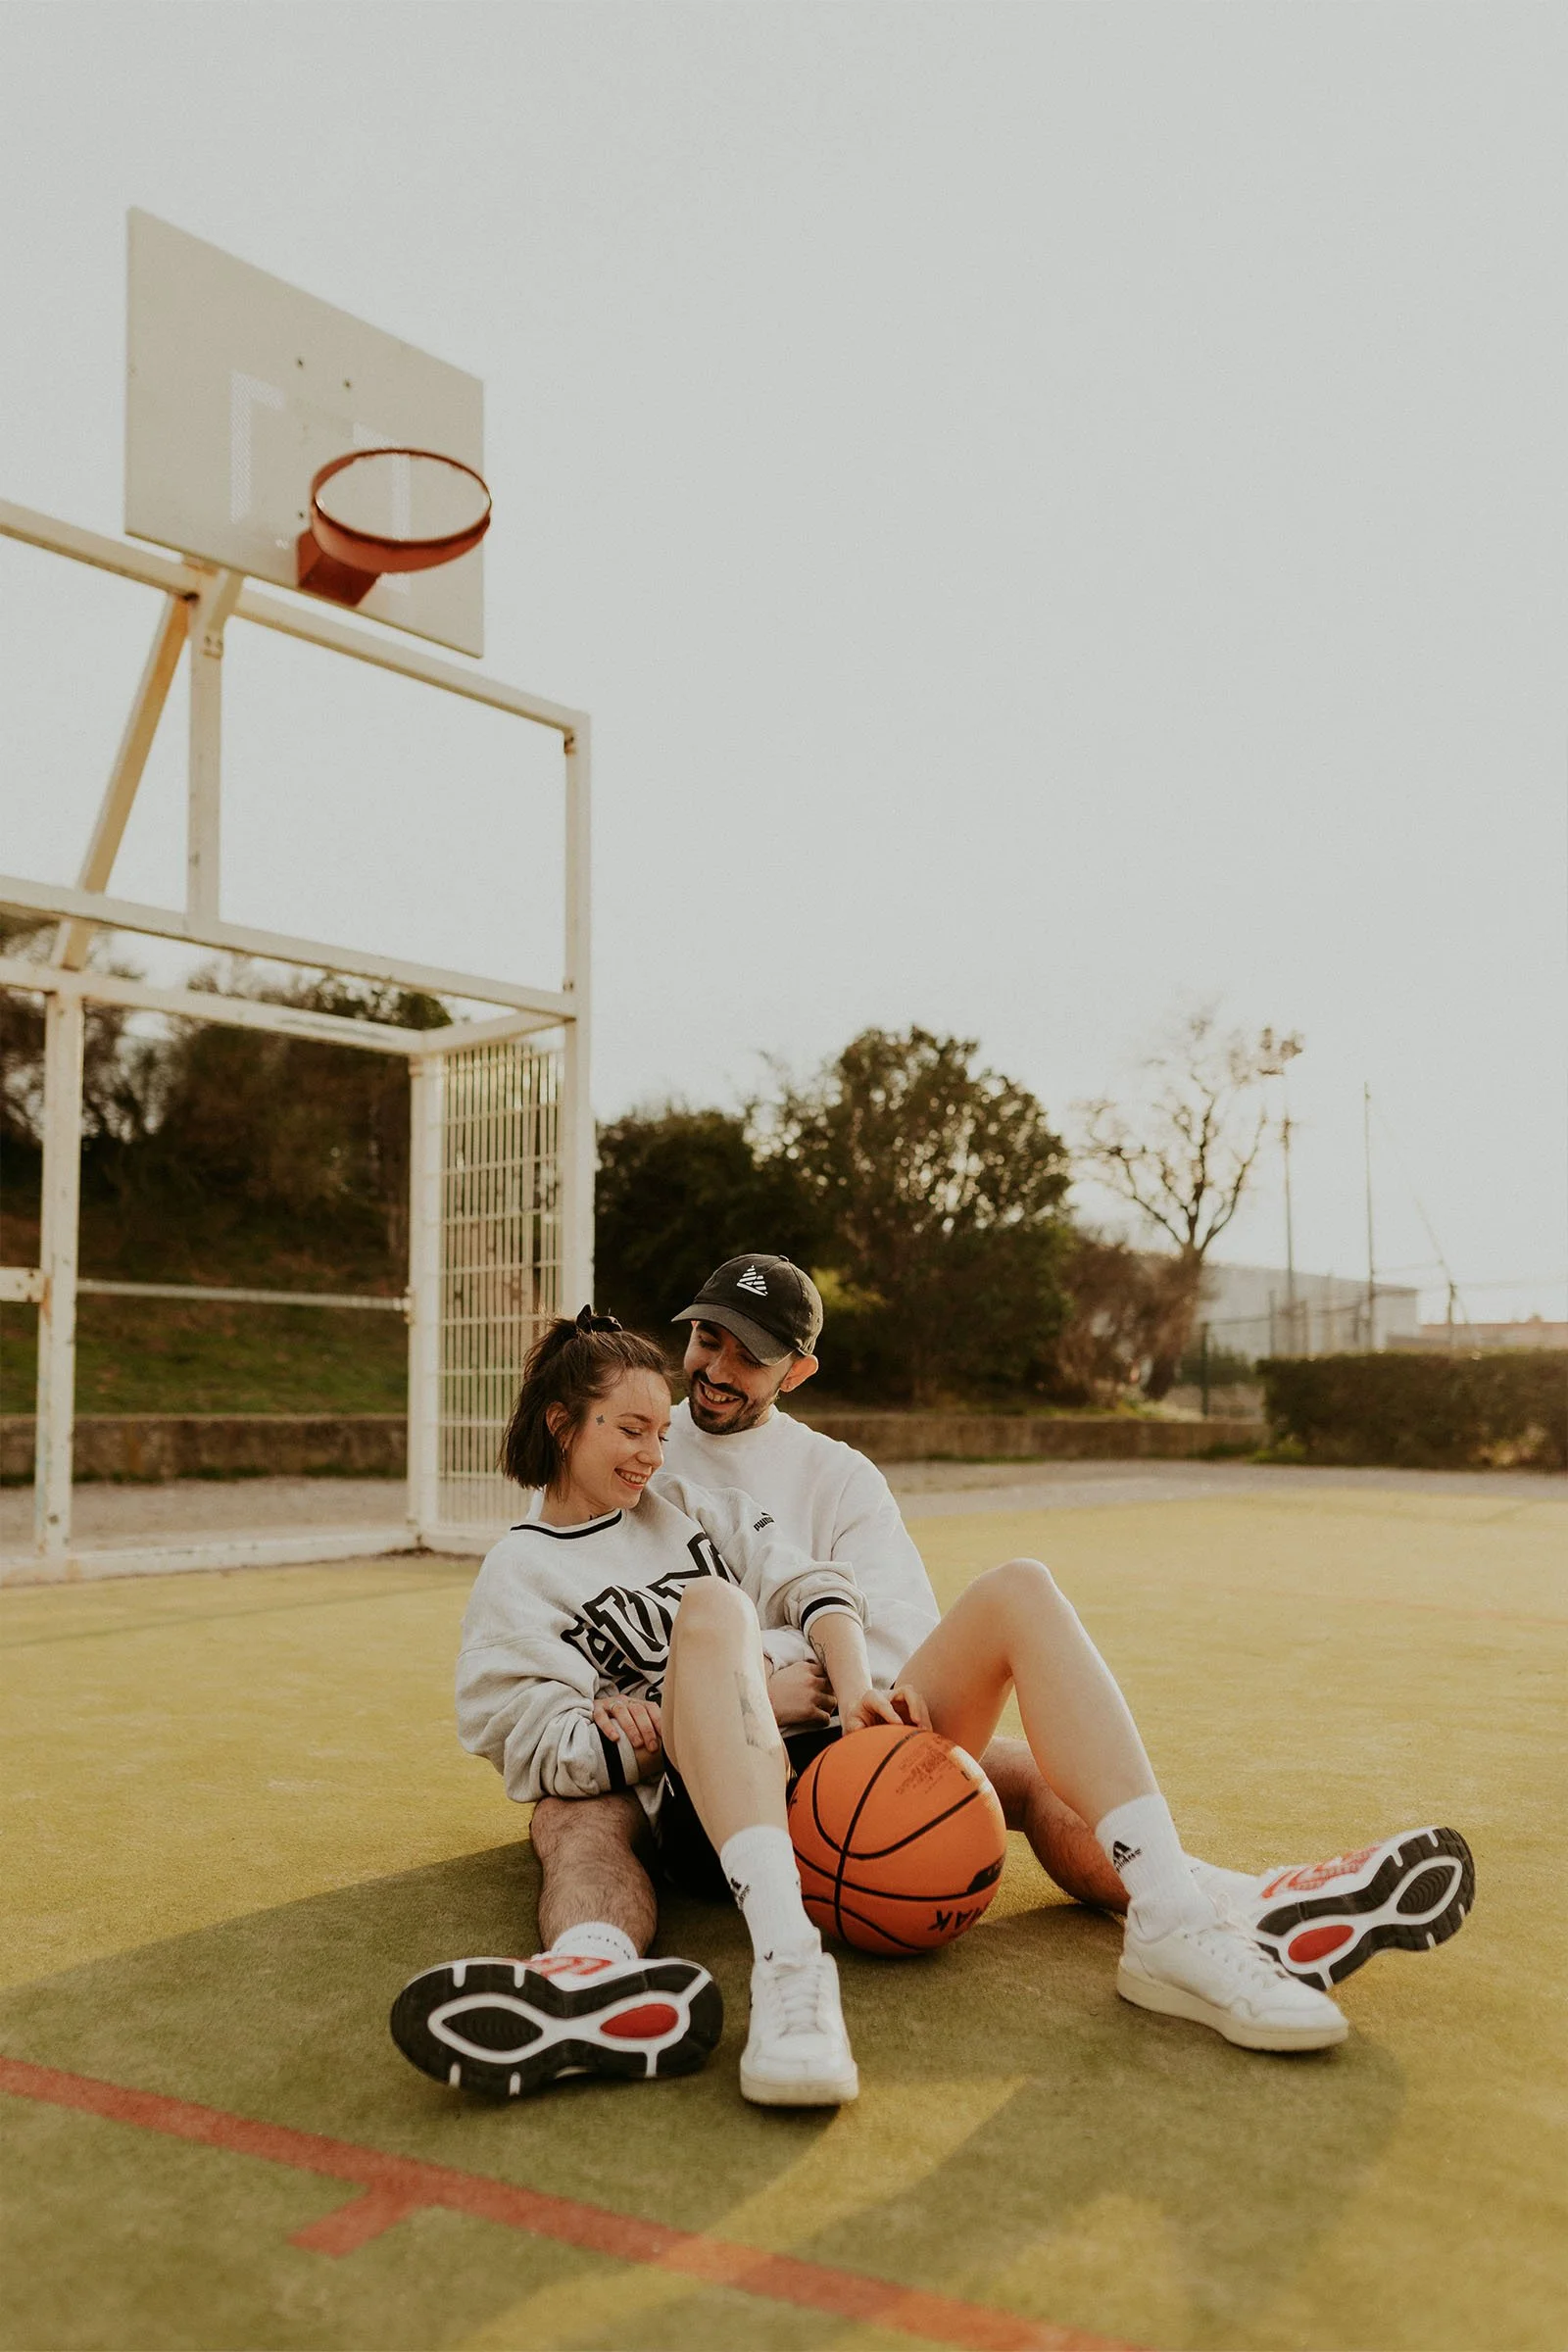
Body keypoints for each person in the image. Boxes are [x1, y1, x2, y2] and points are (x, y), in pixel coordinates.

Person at [533, 1256, 1474, 2000]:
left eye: (748, 1352)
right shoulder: (637, 1440)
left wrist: (795, 1677)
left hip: (839, 1736)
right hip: (688, 1757)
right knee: (570, 1809)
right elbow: (572, 1609)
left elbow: (898, 1639)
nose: (715, 1367)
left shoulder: (840, 1478)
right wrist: (673, 1699)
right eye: (706, 1337)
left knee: (1012, 1764)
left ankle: (1232, 1903)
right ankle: (589, 1971)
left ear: (800, 1370)